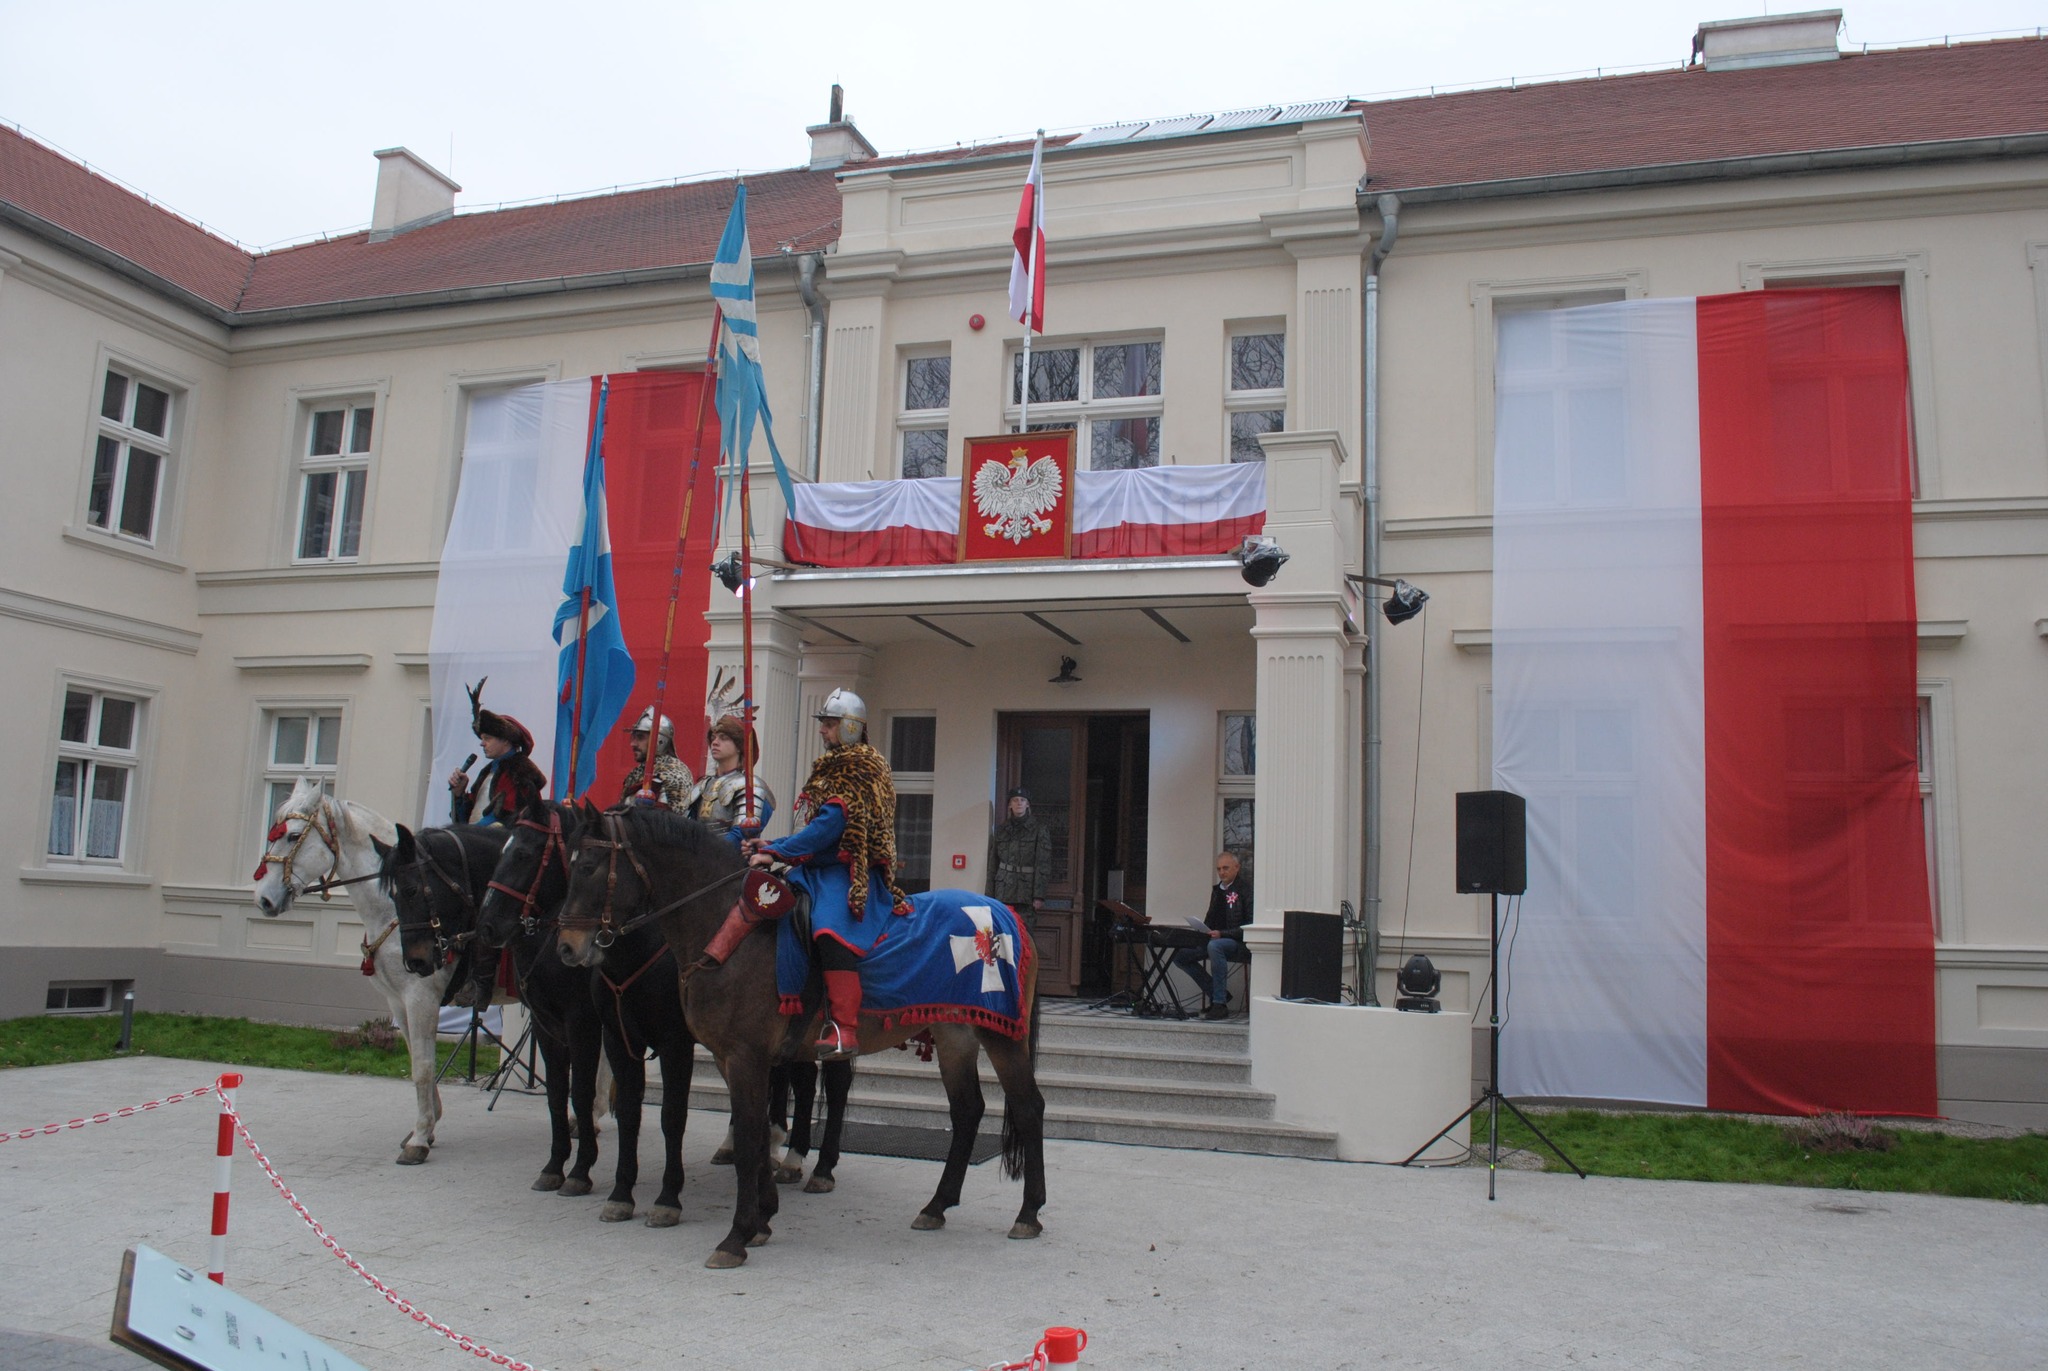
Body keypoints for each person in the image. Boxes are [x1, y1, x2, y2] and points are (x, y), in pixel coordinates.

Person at [743, 688, 907, 1061]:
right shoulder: (833, 767)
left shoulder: (861, 768)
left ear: (850, 728)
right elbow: (811, 830)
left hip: (846, 871)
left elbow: (829, 828)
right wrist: (771, 845)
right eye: (823, 724)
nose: (823, 731)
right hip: (816, 868)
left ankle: (844, 1029)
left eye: (830, 725)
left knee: (827, 928)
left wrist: (777, 852)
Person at [448, 679, 547, 826]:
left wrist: (471, 834)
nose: (482, 743)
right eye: (482, 738)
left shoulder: (521, 771)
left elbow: (509, 817)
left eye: (487, 738)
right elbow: (464, 819)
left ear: (506, 740)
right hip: (477, 842)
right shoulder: (487, 772)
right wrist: (459, 794)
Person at [1174, 851, 1253, 1020]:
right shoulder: (1217, 891)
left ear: (1237, 868)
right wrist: (1202, 930)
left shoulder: (1246, 890)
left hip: (1238, 943)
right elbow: (1210, 919)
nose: (1222, 872)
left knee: (1215, 946)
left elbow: (1249, 926)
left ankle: (1219, 1004)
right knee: (1180, 956)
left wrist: (1222, 934)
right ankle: (1217, 992)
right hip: (1215, 939)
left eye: (1226, 868)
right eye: (1218, 869)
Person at [685, 712, 775, 846]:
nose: (715, 742)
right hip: (699, 859)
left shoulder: (752, 786)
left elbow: (742, 834)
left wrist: (709, 854)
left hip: (733, 862)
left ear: (739, 746)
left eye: (723, 738)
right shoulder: (703, 785)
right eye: (714, 738)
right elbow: (689, 825)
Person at [986, 787, 1051, 915]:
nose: (1019, 803)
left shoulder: (1039, 830)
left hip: (1026, 893)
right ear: (1010, 805)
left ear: (1027, 805)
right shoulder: (1002, 830)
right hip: (1002, 891)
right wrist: (989, 894)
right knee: (1003, 933)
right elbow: (993, 863)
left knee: (1025, 933)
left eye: (1022, 800)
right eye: (1015, 800)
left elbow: (1043, 864)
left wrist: (1039, 896)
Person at [619, 706, 694, 809]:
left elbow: (667, 819)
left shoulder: (674, 774)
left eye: (640, 737)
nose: (633, 744)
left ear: (660, 740)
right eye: (633, 737)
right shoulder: (637, 773)